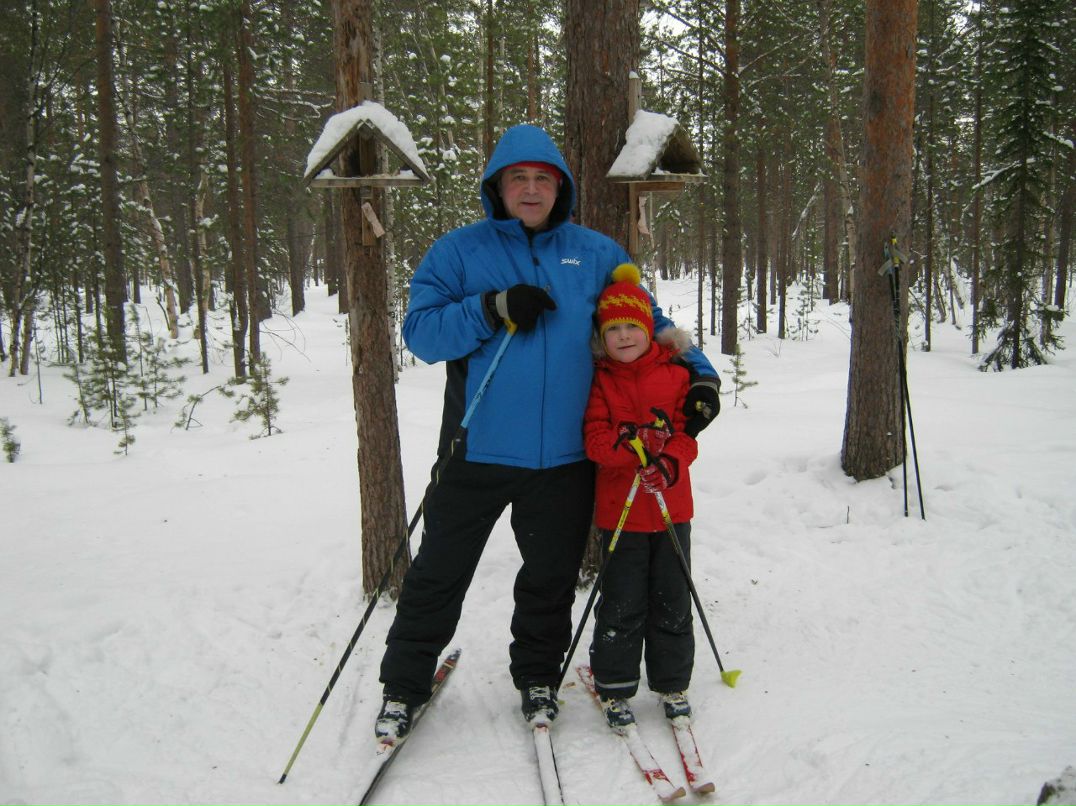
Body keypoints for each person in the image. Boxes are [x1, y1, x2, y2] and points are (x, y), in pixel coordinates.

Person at [374, 124, 720, 742]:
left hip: (565, 456)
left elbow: (647, 321)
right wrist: (491, 307)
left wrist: (700, 375)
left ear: (561, 188)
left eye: (543, 179)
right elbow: (421, 334)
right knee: (439, 572)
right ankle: (403, 685)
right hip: (476, 449)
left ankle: (537, 676)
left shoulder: (596, 254)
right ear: (497, 186)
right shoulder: (458, 252)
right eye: (518, 178)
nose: (531, 189)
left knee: (550, 577)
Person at [582, 263, 700, 731]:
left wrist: (668, 460)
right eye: (614, 330)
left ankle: (672, 683)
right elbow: (595, 440)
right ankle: (614, 686)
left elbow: (687, 436)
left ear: (649, 329)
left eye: (632, 326)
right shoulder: (600, 379)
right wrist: (629, 447)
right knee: (622, 603)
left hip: (672, 509)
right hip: (622, 514)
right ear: (602, 337)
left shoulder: (676, 375)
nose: (624, 336)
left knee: (673, 600)